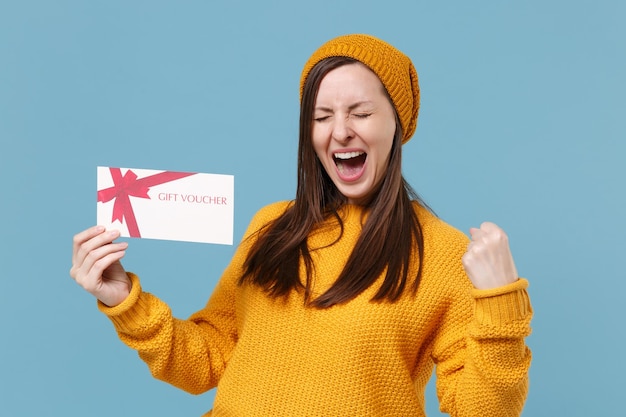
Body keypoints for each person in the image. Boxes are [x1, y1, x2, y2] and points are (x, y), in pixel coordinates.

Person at [70, 34, 532, 416]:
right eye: (322, 116)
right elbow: (209, 362)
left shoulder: (440, 252)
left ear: (398, 122)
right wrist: (125, 300)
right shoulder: (271, 225)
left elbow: (481, 409)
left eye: (361, 113)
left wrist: (501, 306)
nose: (340, 131)